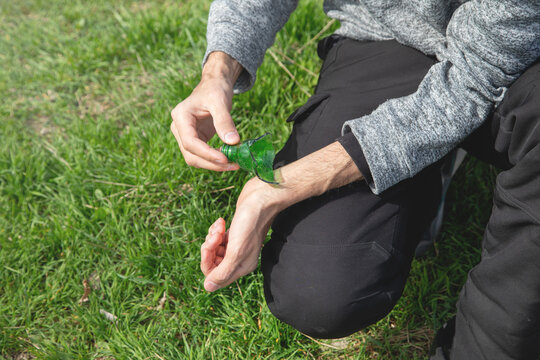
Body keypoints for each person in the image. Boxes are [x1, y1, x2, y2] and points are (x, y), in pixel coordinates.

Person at [170, 1, 540, 359]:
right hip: (385, 37)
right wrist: (219, 69)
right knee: (316, 293)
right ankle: (431, 168)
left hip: (513, 57)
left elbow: (474, 77)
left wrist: (279, 187)